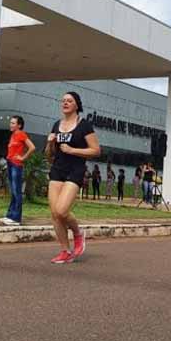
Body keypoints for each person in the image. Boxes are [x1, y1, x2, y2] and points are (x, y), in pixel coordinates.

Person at [45, 91, 100, 264]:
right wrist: (49, 143)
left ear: (77, 105)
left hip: (75, 170)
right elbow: (49, 156)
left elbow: (96, 150)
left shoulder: (84, 125)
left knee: (62, 210)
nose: (65, 103)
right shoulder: (56, 125)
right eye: (63, 101)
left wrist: (72, 150)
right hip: (57, 169)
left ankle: (77, 233)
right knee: (55, 214)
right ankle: (65, 251)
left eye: (69, 101)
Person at [2, 115, 35, 226]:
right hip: (10, 163)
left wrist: (23, 157)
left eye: (13, 123)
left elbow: (32, 147)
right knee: (13, 191)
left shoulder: (21, 134)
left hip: (16, 164)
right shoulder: (13, 135)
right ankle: (10, 215)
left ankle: (16, 218)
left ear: (19, 125)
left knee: (17, 191)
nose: (11, 125)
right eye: (10, 122)